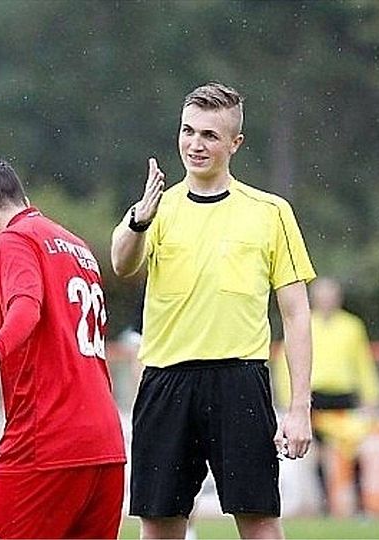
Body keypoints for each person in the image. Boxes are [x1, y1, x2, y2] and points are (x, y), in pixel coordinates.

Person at [110, 82, 316, 539]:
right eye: (188, 131)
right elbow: (122, 263)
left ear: (235, 143)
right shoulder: (154, 210)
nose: (195, 144)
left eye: (209, 135)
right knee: (160, 522)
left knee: (260, 519)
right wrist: (139, 219)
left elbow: (297, 314)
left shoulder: (270, 212)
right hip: (165, 380)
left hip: (239, 381)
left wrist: (300, 407)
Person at [0, 159, 126, 539]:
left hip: (48, 439)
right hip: (105, 444)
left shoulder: (13, 239)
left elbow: (26, 304)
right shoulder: (76, 245)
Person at [273, 277, 379, 516]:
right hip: (316, 397)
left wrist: (370, 397)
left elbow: (363, 363)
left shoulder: (352, 326)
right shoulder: (304, 323)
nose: (327, 300)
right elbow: (284, 361)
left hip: (343, 396)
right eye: (322, 295)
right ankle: (326, 505)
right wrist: (288, 398)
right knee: (318, 454)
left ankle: (359, 507)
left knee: (352, 451)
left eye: (331, 295)